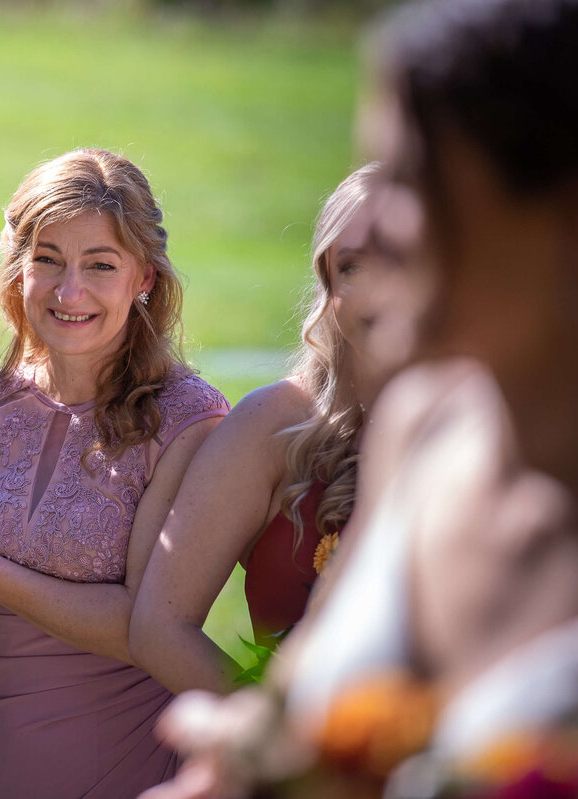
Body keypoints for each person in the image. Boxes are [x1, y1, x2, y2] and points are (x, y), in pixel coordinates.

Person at [146, 1, 578, 796]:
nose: (368, 232)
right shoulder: (425, 430)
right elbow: (314, 719)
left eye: (415, 180)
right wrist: (250, 756)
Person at [0, 149, 230, 798]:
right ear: (18, 266)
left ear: (143, 277)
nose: (69, 291)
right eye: (48, 260)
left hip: (127, 760)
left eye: (100, 266)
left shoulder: (188, 418)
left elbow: (148, 625)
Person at [129, 162, 394, 694]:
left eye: (399, 262)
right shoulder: (274, 424)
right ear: (326, 284)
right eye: (350, 268)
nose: (374, 293)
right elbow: (160, 627)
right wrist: (275, 746)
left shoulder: (509, 428)